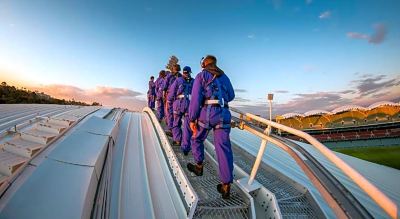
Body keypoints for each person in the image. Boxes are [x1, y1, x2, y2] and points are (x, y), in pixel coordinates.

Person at [187, 55, 235, 199]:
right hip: (224, 113)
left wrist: (192, 118)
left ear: (204, 64)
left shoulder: (201, 76)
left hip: (208, 113)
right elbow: (231, 95)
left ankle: (199, 166)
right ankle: (226, 186)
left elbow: (195, 99)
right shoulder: (224, 76)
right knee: (223, 148)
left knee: (196, 138)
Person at [168, 66, 194, 153]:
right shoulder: (193, 81)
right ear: (190, 72)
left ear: (183, 72)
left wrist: (169, 101)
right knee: (187, 126)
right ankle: (186, 146)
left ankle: (177, 140)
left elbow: (172, 92)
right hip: (189, 105)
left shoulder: (178, 80)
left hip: (179, 104)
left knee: (176, 122)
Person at [163, 64, 181, 136]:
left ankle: (170, 129)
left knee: (169, 112)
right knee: (176, 114)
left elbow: (165, 86)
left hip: (170, 95)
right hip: (178, 97)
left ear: (173, 69)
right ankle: (176, 131)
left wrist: (164, 95)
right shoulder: (181, 76)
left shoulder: (169, 76)